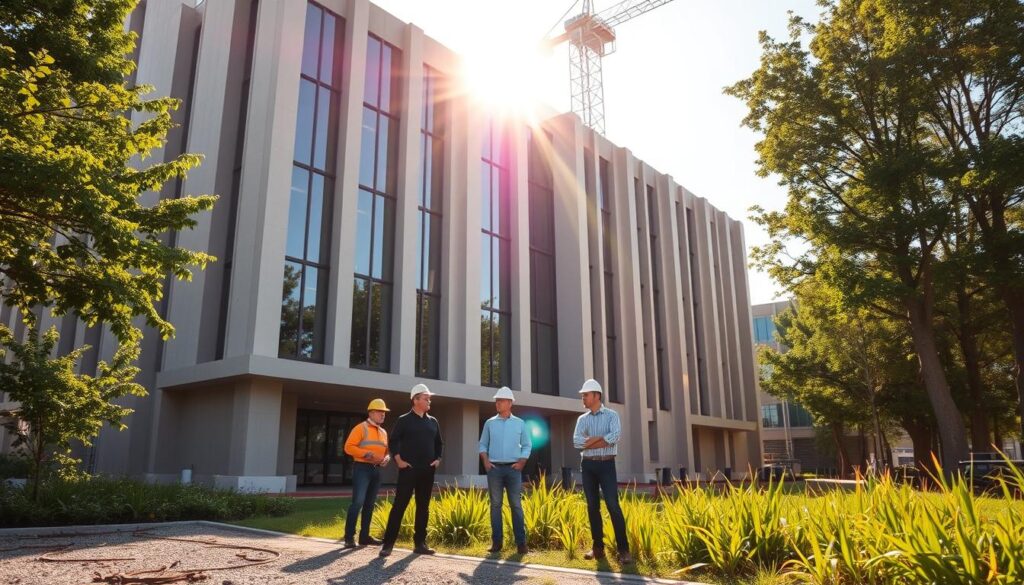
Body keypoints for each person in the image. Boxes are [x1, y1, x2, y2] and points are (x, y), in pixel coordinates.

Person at [572, 378, 633, 565]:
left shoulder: (612, 415)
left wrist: (589, 442)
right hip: (588, 466)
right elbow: (576, 443)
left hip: (606, 465)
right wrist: (600, 440)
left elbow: (614, 437)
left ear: (596, 396)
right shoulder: (582, 419)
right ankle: (598, 548)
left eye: (586, 395)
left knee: (613, 505)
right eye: (582, 395)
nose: (583, 398)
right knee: (592, 506)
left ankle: (624, 551)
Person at [379, 383, 443, 558]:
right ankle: (388, 545)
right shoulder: (403, 420)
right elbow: (394, 441)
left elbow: (439, 443)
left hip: (427, 471)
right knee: (399, 506)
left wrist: (438, 459)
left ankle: (420, 544)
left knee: (423, 507)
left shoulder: (433, 421)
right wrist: (398, 460)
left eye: (429, 398)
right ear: (415, 400)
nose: (429, 400)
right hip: (408, 470)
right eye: (425, 398)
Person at [478, 386, 532, 555]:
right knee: (495, 506)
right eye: (496, 401)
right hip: (494, 469)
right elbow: (482, 444)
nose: (497, 403)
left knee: (516, 505)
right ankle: (496, 543)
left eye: (500, 401)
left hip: (514, 469)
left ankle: (521, 544)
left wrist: (522, 462)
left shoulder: (520, 423)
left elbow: (527, 444)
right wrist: (486, 461)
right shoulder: (489, 423)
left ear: (509, 403)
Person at [341, 398, 392, 548]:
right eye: (380, 412)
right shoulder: (360, 428)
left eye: (384, 412)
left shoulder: (383, 432)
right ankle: (349, 537)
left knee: (370, 504)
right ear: (371, 413)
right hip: (362, 469)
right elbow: (348, 447)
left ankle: (364, 537)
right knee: (358, 502)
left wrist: (387, 458)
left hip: (376, 470)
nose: (383, 415)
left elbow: (385, 451)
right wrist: (365, 454)